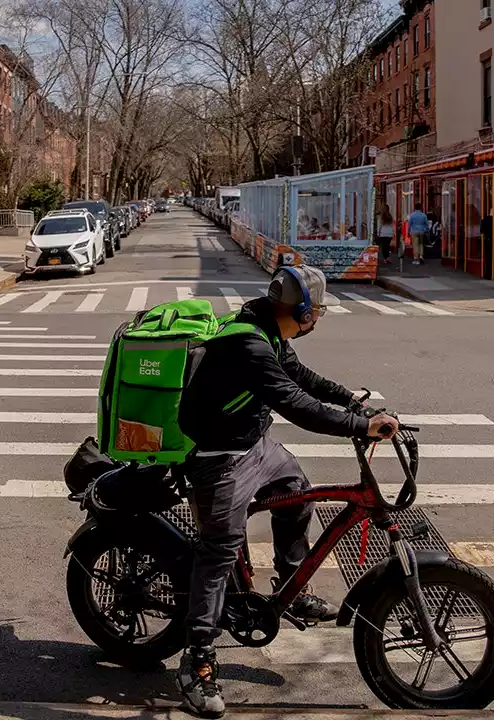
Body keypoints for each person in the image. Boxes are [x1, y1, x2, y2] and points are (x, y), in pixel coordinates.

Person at [174, 266, 399, 718]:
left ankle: (291, 588)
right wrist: (362, 426)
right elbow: (294, 403)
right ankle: (196, 661)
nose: (318, 317)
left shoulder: (268, 332)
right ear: (300, 310)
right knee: (219, 551)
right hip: (220, 458)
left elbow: (301, 377)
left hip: (252, 444)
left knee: (297, 490)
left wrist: (351, 400)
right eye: (316, 310)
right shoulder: (248, 343)